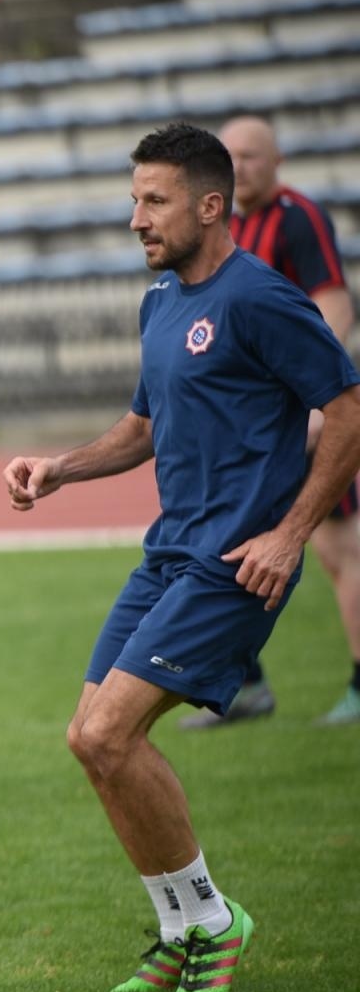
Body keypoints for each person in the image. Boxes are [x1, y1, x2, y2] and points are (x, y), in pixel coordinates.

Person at [2, 122, 360, 992]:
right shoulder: (161, 300)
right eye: (133, 199)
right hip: (168, 554)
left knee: (105, 733)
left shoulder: (260, 299)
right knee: (90, 745)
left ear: (210, 204)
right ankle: (179, 927)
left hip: (235, 562)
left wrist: (290, 534)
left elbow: (348, 410)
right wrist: (59, 470)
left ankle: (210, 921)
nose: (136, 218)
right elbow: (143, 428)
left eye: (153, 200)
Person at [180, 115, 360, 728]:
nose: (243, 166)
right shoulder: (224, 229)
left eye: (253, 155)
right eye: (232, 156)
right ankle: (246, 683)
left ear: (278, 159)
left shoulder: (296, 217)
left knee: (340, 548)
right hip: (245, 427)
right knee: (224, 545)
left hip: (300, 417)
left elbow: (333, 305)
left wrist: (308, 395)